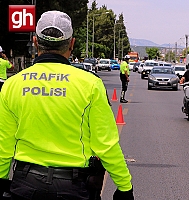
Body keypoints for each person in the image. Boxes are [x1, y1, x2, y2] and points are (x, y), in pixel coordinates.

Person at [0, 10, 133, 200]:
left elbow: (3, 144)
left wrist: (2, 181)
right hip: (73, 187)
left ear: (36, 41)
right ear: (72, 43)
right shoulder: (90, 84)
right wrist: (124, 187)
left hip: (25, 184)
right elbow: (106, 144)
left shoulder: (12, 85)